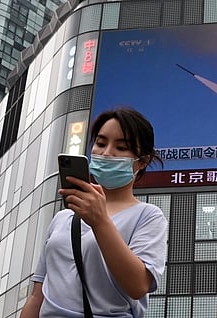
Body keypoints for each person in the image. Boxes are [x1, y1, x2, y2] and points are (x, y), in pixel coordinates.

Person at [20, 107, 168, 318]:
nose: (106, 153)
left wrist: (100, 222)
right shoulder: (63, 217)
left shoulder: (148, 216)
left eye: (121, 147)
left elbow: (138, 285)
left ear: (142, 161)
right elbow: (37, 296)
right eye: (100, 143)